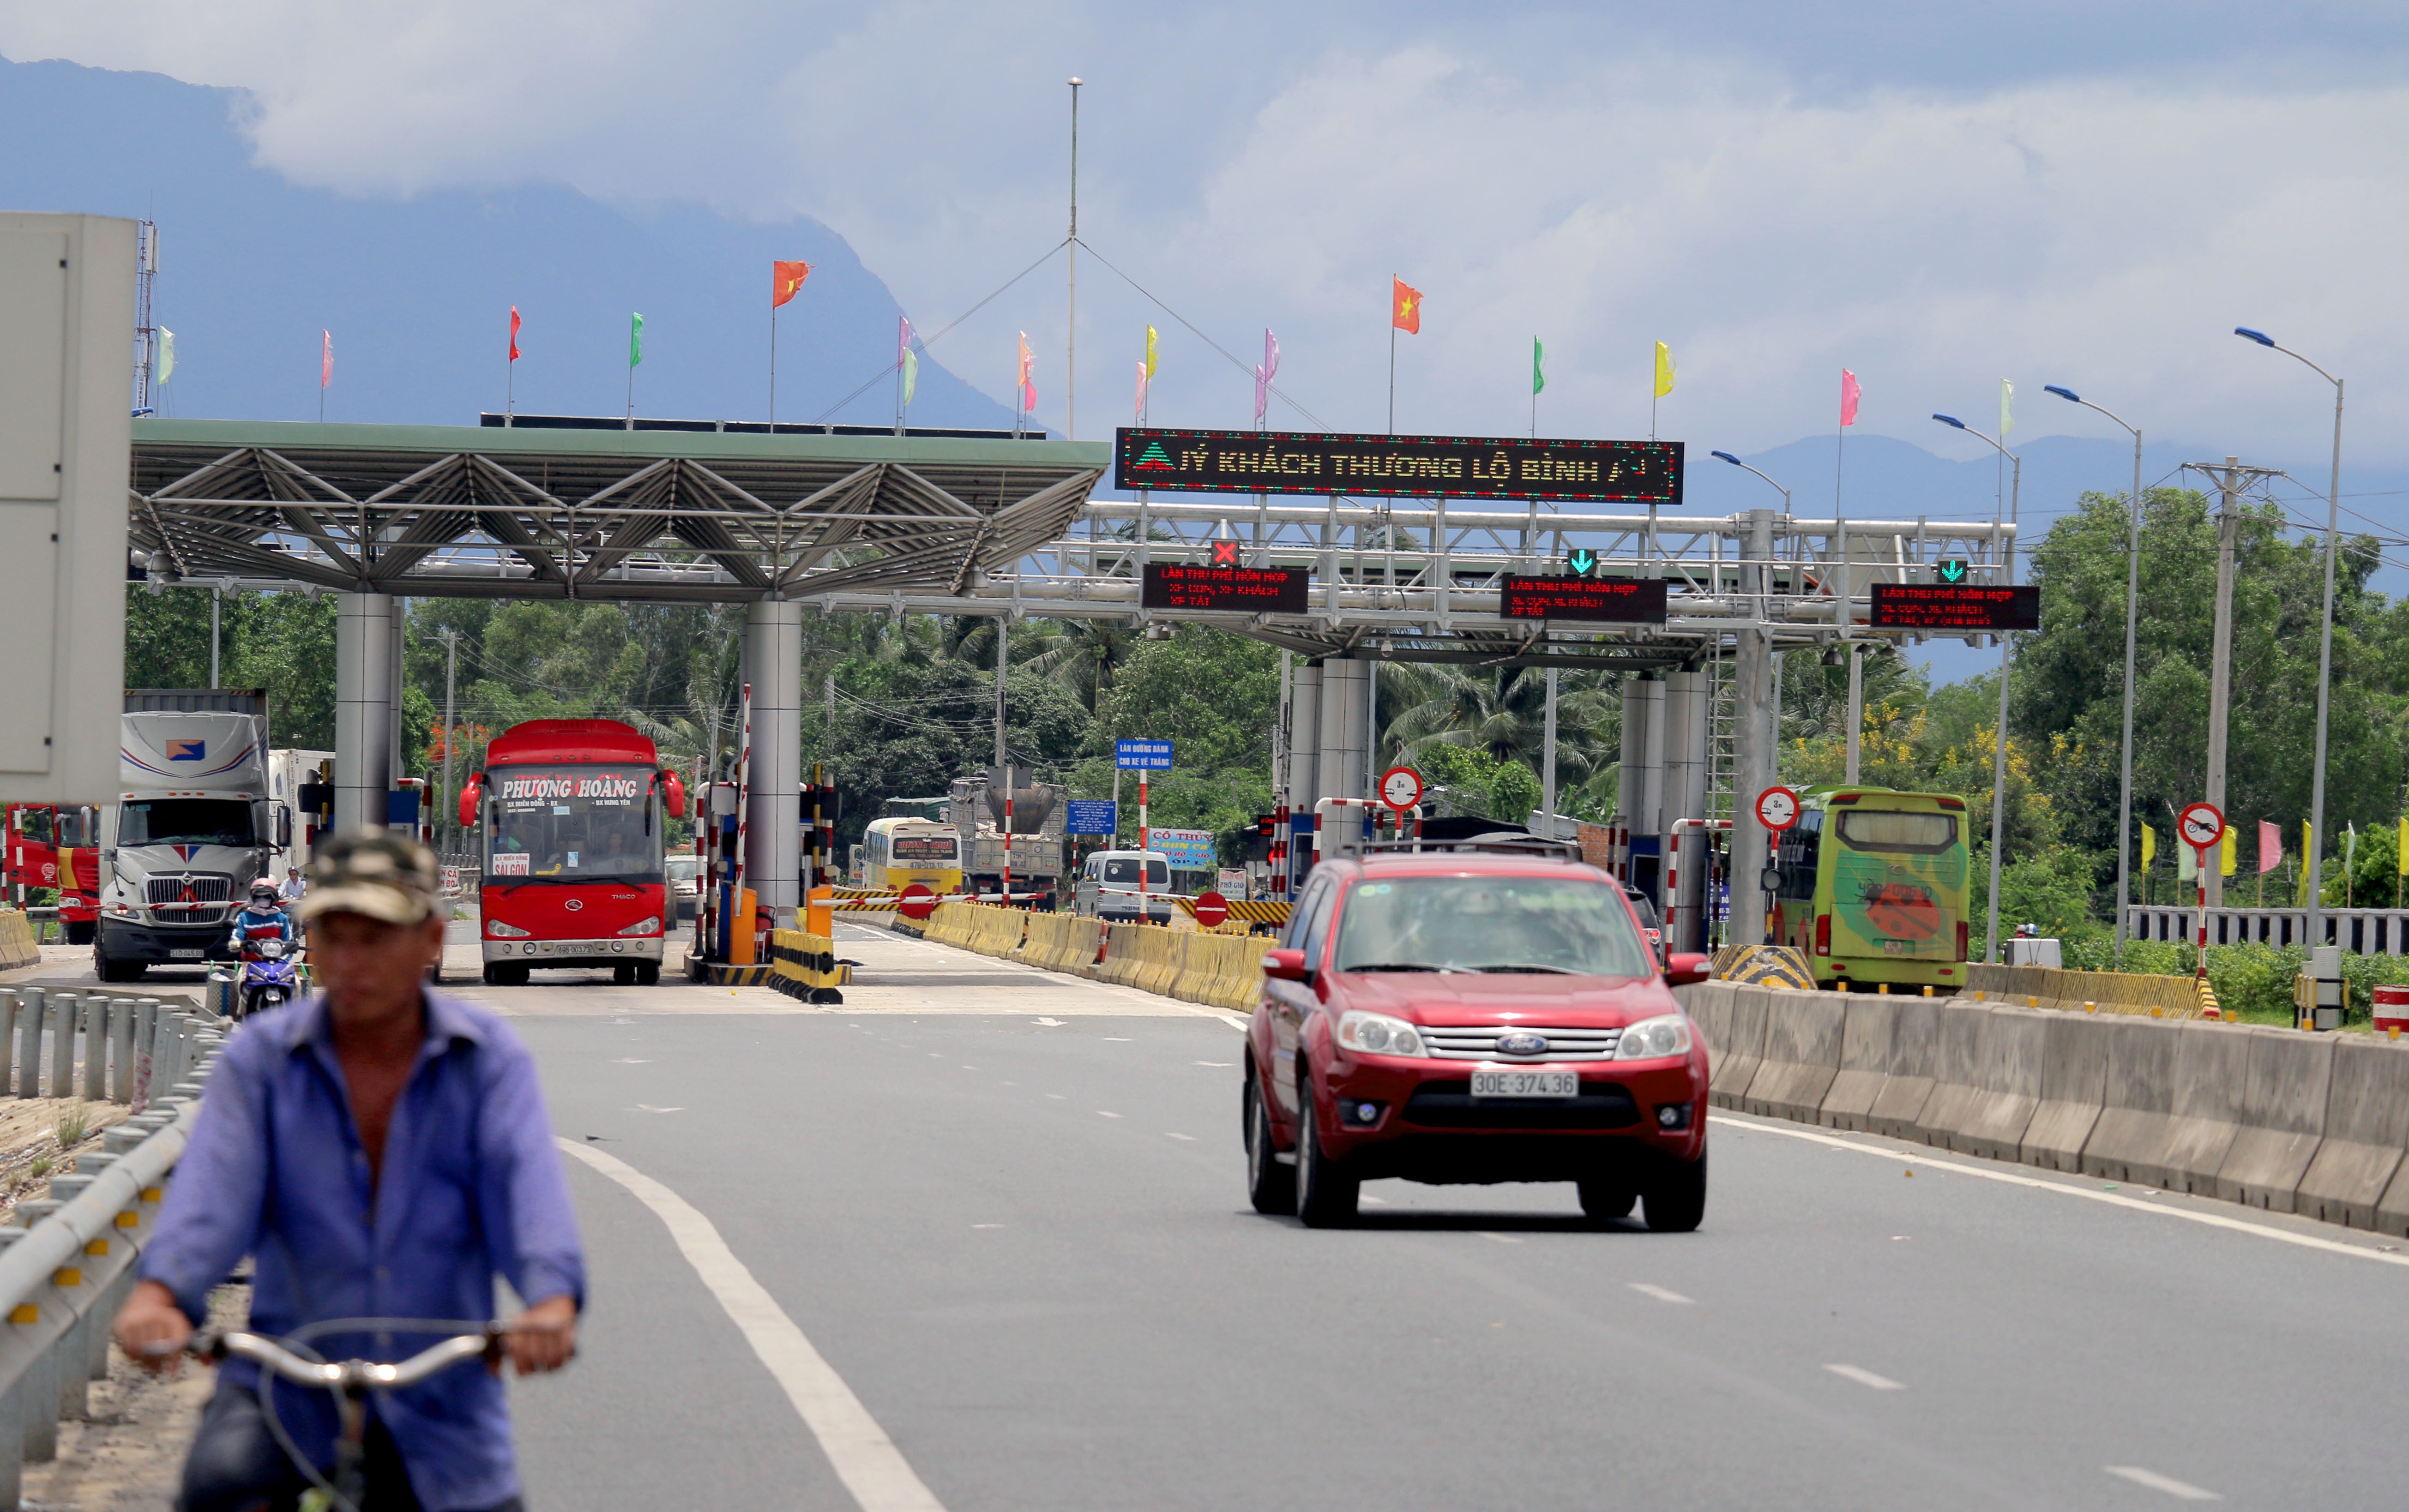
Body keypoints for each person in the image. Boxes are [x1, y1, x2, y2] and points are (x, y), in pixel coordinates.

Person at [114, 830, 584, 1512]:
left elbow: (527, 1193)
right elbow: (213, 1198)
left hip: (442, 1398)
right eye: (333, 936)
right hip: (286, 1383)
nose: (350, 961)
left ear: (430, 939)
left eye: (376, 936)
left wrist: (551, 1301)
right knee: (217, 1487)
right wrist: (162, 1293)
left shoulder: (486, 1061)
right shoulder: (262, 1061)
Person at [226, 879, 295, 954]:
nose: (263, 900)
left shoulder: (282, 918)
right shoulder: (243, 918)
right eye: (259, 897)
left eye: (267, 897)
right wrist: (235, 943)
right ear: (254, 898)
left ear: (273, 898)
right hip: (251, 963)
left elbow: (289, 941)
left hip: (279, 962)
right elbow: (237, 935)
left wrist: (284, 960)